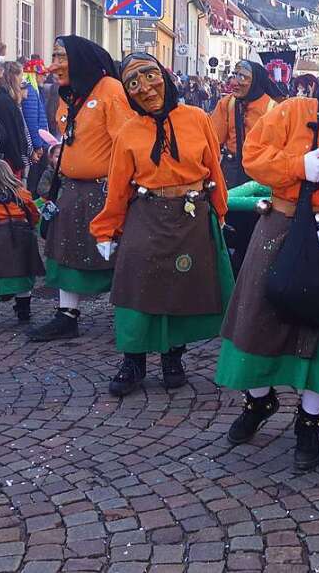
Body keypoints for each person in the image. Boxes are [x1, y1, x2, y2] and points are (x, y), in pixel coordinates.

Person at [216, 42, 319, 472]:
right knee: (257, 321)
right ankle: (258, 402)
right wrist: (296, 166)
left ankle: (309, 422)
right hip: (279, 228)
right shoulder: (292, 110)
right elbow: (253, 156)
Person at [90, 53, 231, 394]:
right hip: (146, 216)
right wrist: (106, 228)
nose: (145, 88)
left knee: (181, 289)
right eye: (133, 83)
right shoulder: (127, 132)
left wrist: (220, 212)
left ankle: (173, 358)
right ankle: (133, 362)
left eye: (149, 76)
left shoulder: (197, 118)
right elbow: (119, 185)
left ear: (164, 77)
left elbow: (214, 169)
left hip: (191, 216)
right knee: (136, 288)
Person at [31, 36, 132, 342]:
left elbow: (126, 142)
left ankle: (129, 317)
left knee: (116, 253)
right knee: (64, 251)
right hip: (72, 188)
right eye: (53, 56)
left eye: (61, 57)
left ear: (80, 59)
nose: (54, 64)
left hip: (104, 189)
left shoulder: (110, 91)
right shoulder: (68, 94)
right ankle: (66, 315)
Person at [0, 159, 44, 327]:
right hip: (23, 236)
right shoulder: (22, 193)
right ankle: (23, 311)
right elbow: (34, 215)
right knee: (23, 272)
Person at [209, 60, 284, 188]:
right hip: (230, 171)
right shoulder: (227, 103)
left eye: (242, 77)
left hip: (260, 173)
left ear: (255, 81)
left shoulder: (272, 108)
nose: (234, 82)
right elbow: (214, 140)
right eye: (234, 75)